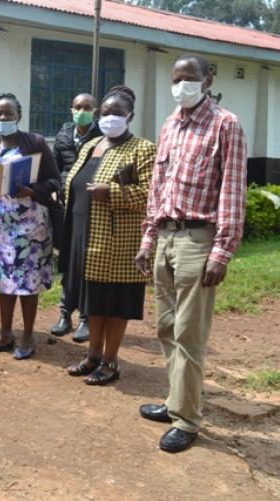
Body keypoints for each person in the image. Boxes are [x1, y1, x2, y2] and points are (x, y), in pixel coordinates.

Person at [135, 55, 247, 453]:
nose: (182, 85)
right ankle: (175, 401)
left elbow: (232, 192)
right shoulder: (170, 124)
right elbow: (157, 188)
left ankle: (187, 419)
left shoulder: (225, 125)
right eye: (177, 78)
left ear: (208, 80)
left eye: (190, 78)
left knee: (189, 333)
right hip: (166, 235)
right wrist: (149, 238)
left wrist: (222, 251)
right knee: (166, 328)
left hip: (198, 240)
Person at [59, 85, 155, 385]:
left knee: (114, 304)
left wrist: (111, 191)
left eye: (117, 113)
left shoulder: (142, 149)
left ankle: (111, 361)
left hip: (117, 242)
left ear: (130, 116)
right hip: (84, 237)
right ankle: (93, 356)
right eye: (105, 112)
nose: (109, 117)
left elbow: (151, 193)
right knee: (93, 303)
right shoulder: (91, 146)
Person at [0, 93, 60, 359]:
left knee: (28, 283)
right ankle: (5, 333)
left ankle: (28, 335)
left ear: (19, 116)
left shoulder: (35, 143)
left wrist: (31, 190)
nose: (3, 118)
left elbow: (55, 181)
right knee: (3, 281)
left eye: (9, 114)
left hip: (31, 227)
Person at [50, 93, 102, 342]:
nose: (82, 111)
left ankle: (86, 316)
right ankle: (64, 314)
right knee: (68, 259)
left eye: (87, 107)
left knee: (85, 260)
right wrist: (53, 186)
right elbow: (54, 165)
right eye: (77, 107)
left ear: (96, 110)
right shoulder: (64, 134)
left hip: (91, 205)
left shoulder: (103, 137)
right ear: (71, 109)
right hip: (64, 204)